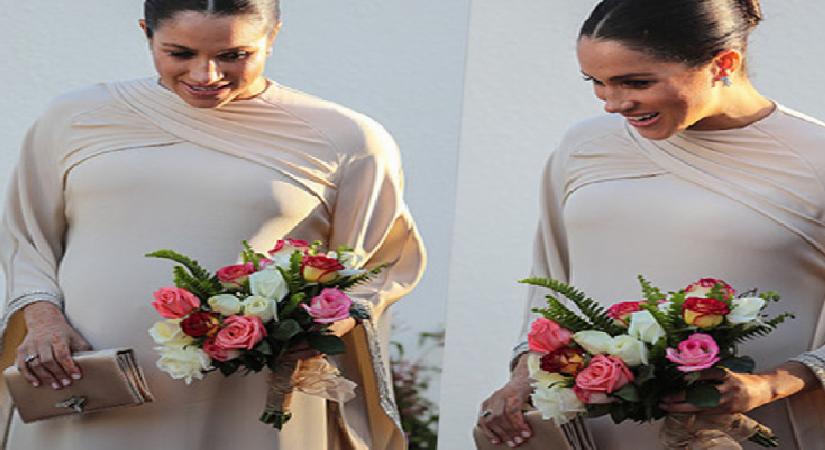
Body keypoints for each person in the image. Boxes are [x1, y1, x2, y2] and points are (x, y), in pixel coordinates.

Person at [0, 1, 425, 449]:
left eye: (233, 55)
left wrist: (325, 327)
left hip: (250, 388)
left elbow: (378, 263)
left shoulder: (348, 139)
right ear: (146, 32)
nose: (206, 75)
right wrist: (42, 320)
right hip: (85, 378)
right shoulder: (73, 117)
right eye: (180, 53)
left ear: (273, 36)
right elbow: (28, 235)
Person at [476, 0, 825, 448]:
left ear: (723, 64)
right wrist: (524, 377)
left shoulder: (816, 159)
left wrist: (769, 386)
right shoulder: (583, 146)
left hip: (748, 428)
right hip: (591, 432)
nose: (614, 104)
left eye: (637, 82)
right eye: (596, 82)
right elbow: (551, 283)